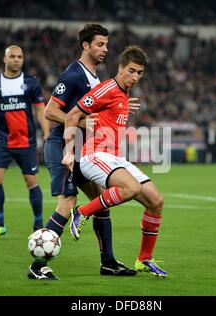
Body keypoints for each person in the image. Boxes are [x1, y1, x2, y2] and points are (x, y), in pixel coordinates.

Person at [30, 24, 136, 280]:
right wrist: (78, 122)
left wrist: (119, 105)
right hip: (62, 147)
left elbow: (93, 110)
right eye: (100, 44)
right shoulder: (74, 75)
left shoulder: (95, 77)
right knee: (68, 202)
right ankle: (36, 267)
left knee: (102, 203)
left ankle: (108, 263)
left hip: (83, 151)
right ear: (85, 45)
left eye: (107, 45)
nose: (105, 49)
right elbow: (51, 111)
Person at [62, 45, 168, 278]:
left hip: (115, 158)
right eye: (131, 71)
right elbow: (72, 115)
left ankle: (144, 260)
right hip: (94, 155)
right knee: (131, 188)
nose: (135, 77)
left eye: (140, 73)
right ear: (120, 68)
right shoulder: (107, 88)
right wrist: (69, 152)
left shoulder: (122, 94)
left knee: (156, 201)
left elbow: (106, 113)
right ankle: (81, 212)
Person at [0, 45, 51, 266]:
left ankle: (37, 226)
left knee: (31, 181)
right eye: (12, 57)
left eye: (20, 57)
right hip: (3, 142)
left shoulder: (31, 82)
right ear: (4, 59)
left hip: (26, 142)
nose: (17, 60)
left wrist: (46, 133)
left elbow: (39, 109)